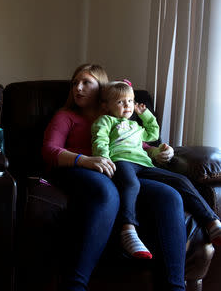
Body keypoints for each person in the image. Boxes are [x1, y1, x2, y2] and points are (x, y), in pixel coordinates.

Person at [42, 63, 187, 291]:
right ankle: (75, 285)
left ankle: (175, 287)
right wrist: (85, 160)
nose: (77, 88)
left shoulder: (117, 118)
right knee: (107, 193)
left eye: (86, 83)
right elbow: (50, 151)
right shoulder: (66, 116)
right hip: (78, 169)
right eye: (74, 83)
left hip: (118, 171)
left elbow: (137, 145)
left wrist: (158, 151)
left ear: (101, 89)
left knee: (170, 196)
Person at [91, 79, 221, 260]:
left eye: (130, 101)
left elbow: (153, 134)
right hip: (121, 161)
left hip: (144, 163)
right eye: (120, 102)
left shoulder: (136, 126)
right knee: (130, 184)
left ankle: (212, 222)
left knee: (181, 180)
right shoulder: (106, 120)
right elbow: (100, 139)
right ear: (107, 106)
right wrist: (104, 158)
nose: (127, 106)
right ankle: (127, 230)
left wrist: (145, 115)